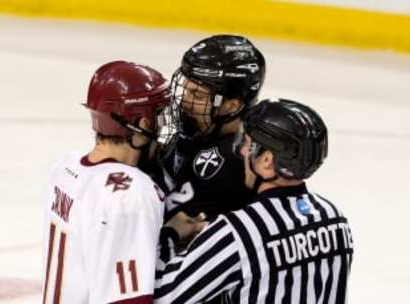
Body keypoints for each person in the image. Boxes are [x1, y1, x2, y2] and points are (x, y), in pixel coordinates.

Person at [154, 98, 354, 304]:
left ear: (267, 160)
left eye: (248, 144)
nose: (242, 151)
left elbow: (164, 295)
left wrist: (170, 234)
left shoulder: (237, 231)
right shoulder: (335, 218)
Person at [42, 61, 177, 304]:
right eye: (158, 116)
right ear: (143, 123)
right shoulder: (129, 193)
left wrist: (171, 233)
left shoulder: (65, 169)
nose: (162, 126)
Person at [155, 34, 266, 220]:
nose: (184, 101)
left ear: (232, 105)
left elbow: (166, 219)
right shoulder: (198, 128)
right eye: (186, 89)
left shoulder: (238, 161)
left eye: (197, 95)